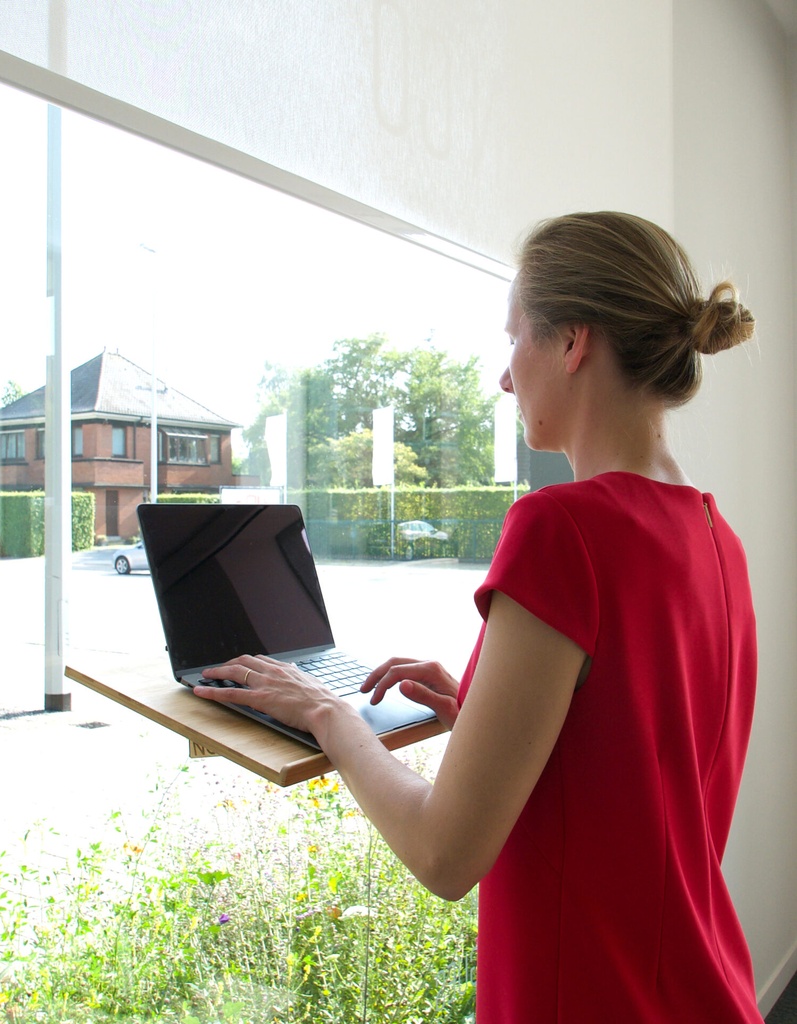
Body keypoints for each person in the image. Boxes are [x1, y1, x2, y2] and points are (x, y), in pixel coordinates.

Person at [195, 211, 763, 1023]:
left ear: (572, 343)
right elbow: (643, 772)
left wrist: (327, 714)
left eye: (513, 340)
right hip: (702, 989)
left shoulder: (562, 527)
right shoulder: (716, 536)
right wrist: (485, 711)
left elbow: (443, 854)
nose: (503, 376)